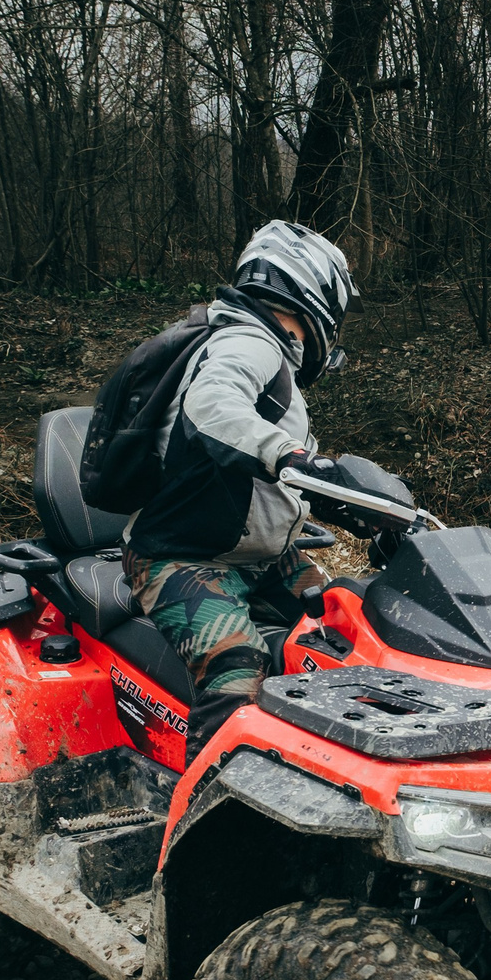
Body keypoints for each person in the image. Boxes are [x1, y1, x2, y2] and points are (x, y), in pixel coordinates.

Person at [124, 221, 356, 758]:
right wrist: (289, 454)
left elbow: (268, 475)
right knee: (236, 666)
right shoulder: (248, 342)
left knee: (353, 628)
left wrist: (361, 502)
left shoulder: (261, 351)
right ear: (314, 293)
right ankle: (210, 818)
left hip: (257, 556)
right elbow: (213, 406)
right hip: (179, 559)